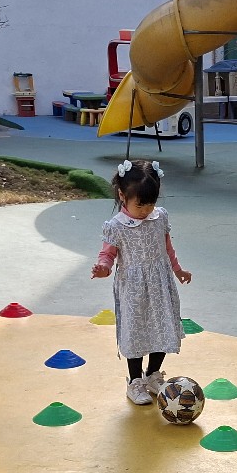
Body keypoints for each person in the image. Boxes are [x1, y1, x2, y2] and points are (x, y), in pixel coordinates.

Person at [91, 159, 192, 404]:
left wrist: (178, 270)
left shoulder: (160, 218)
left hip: (160, 284)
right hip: (133, 289)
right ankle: (135, 382)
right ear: (122, 196)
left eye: (151, 203)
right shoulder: (117, 226)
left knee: (162, 327)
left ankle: (153, 374)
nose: (146, 210)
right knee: (135, 332)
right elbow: (108, 254)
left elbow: (167, 248)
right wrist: (103, 268)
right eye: (140, 204)